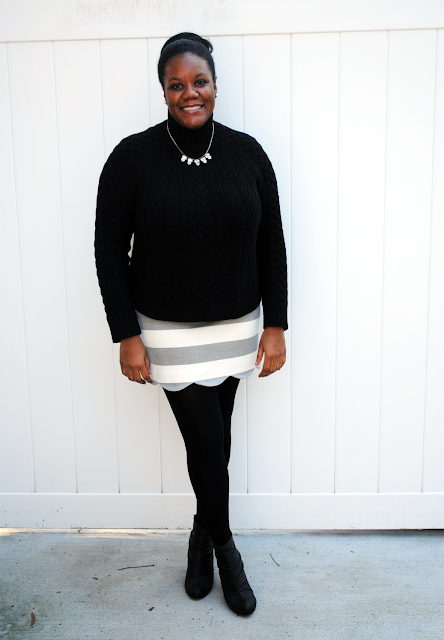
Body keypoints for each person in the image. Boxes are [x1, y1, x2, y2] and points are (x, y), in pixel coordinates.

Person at [95, 32, 287, 616]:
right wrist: (126, 334)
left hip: (237, 328)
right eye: (176, 84)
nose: (189, 93)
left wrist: (275, 324)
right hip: (166, 332)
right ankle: (227, 552)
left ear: (215, 85)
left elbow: (272, 243)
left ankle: (200, 541)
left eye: (199, 81)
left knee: (215, 444)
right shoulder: (131, 158)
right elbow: (108, 251)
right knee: (206, 441)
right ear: (163, 91)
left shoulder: (248, 154)